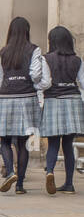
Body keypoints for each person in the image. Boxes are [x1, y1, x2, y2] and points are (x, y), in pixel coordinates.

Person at [0, 15, 51, 194]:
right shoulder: (34, 49)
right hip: (27, 96)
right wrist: (35, 85)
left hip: (7, 97)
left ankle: (10, 172)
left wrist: (5, 92)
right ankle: (20, 185)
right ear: (27, 31)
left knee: (5, 140)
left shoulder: (3, 51)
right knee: (23, 143)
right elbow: (36, 74)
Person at [42, 25, 84, 195]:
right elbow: (82, 82)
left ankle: (50, 171)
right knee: (68, 144)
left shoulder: (46, 59)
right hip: (73, 100)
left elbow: (45, 82)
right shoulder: (77, 60)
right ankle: (69, 184)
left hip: (53, 99)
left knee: (53, 142)